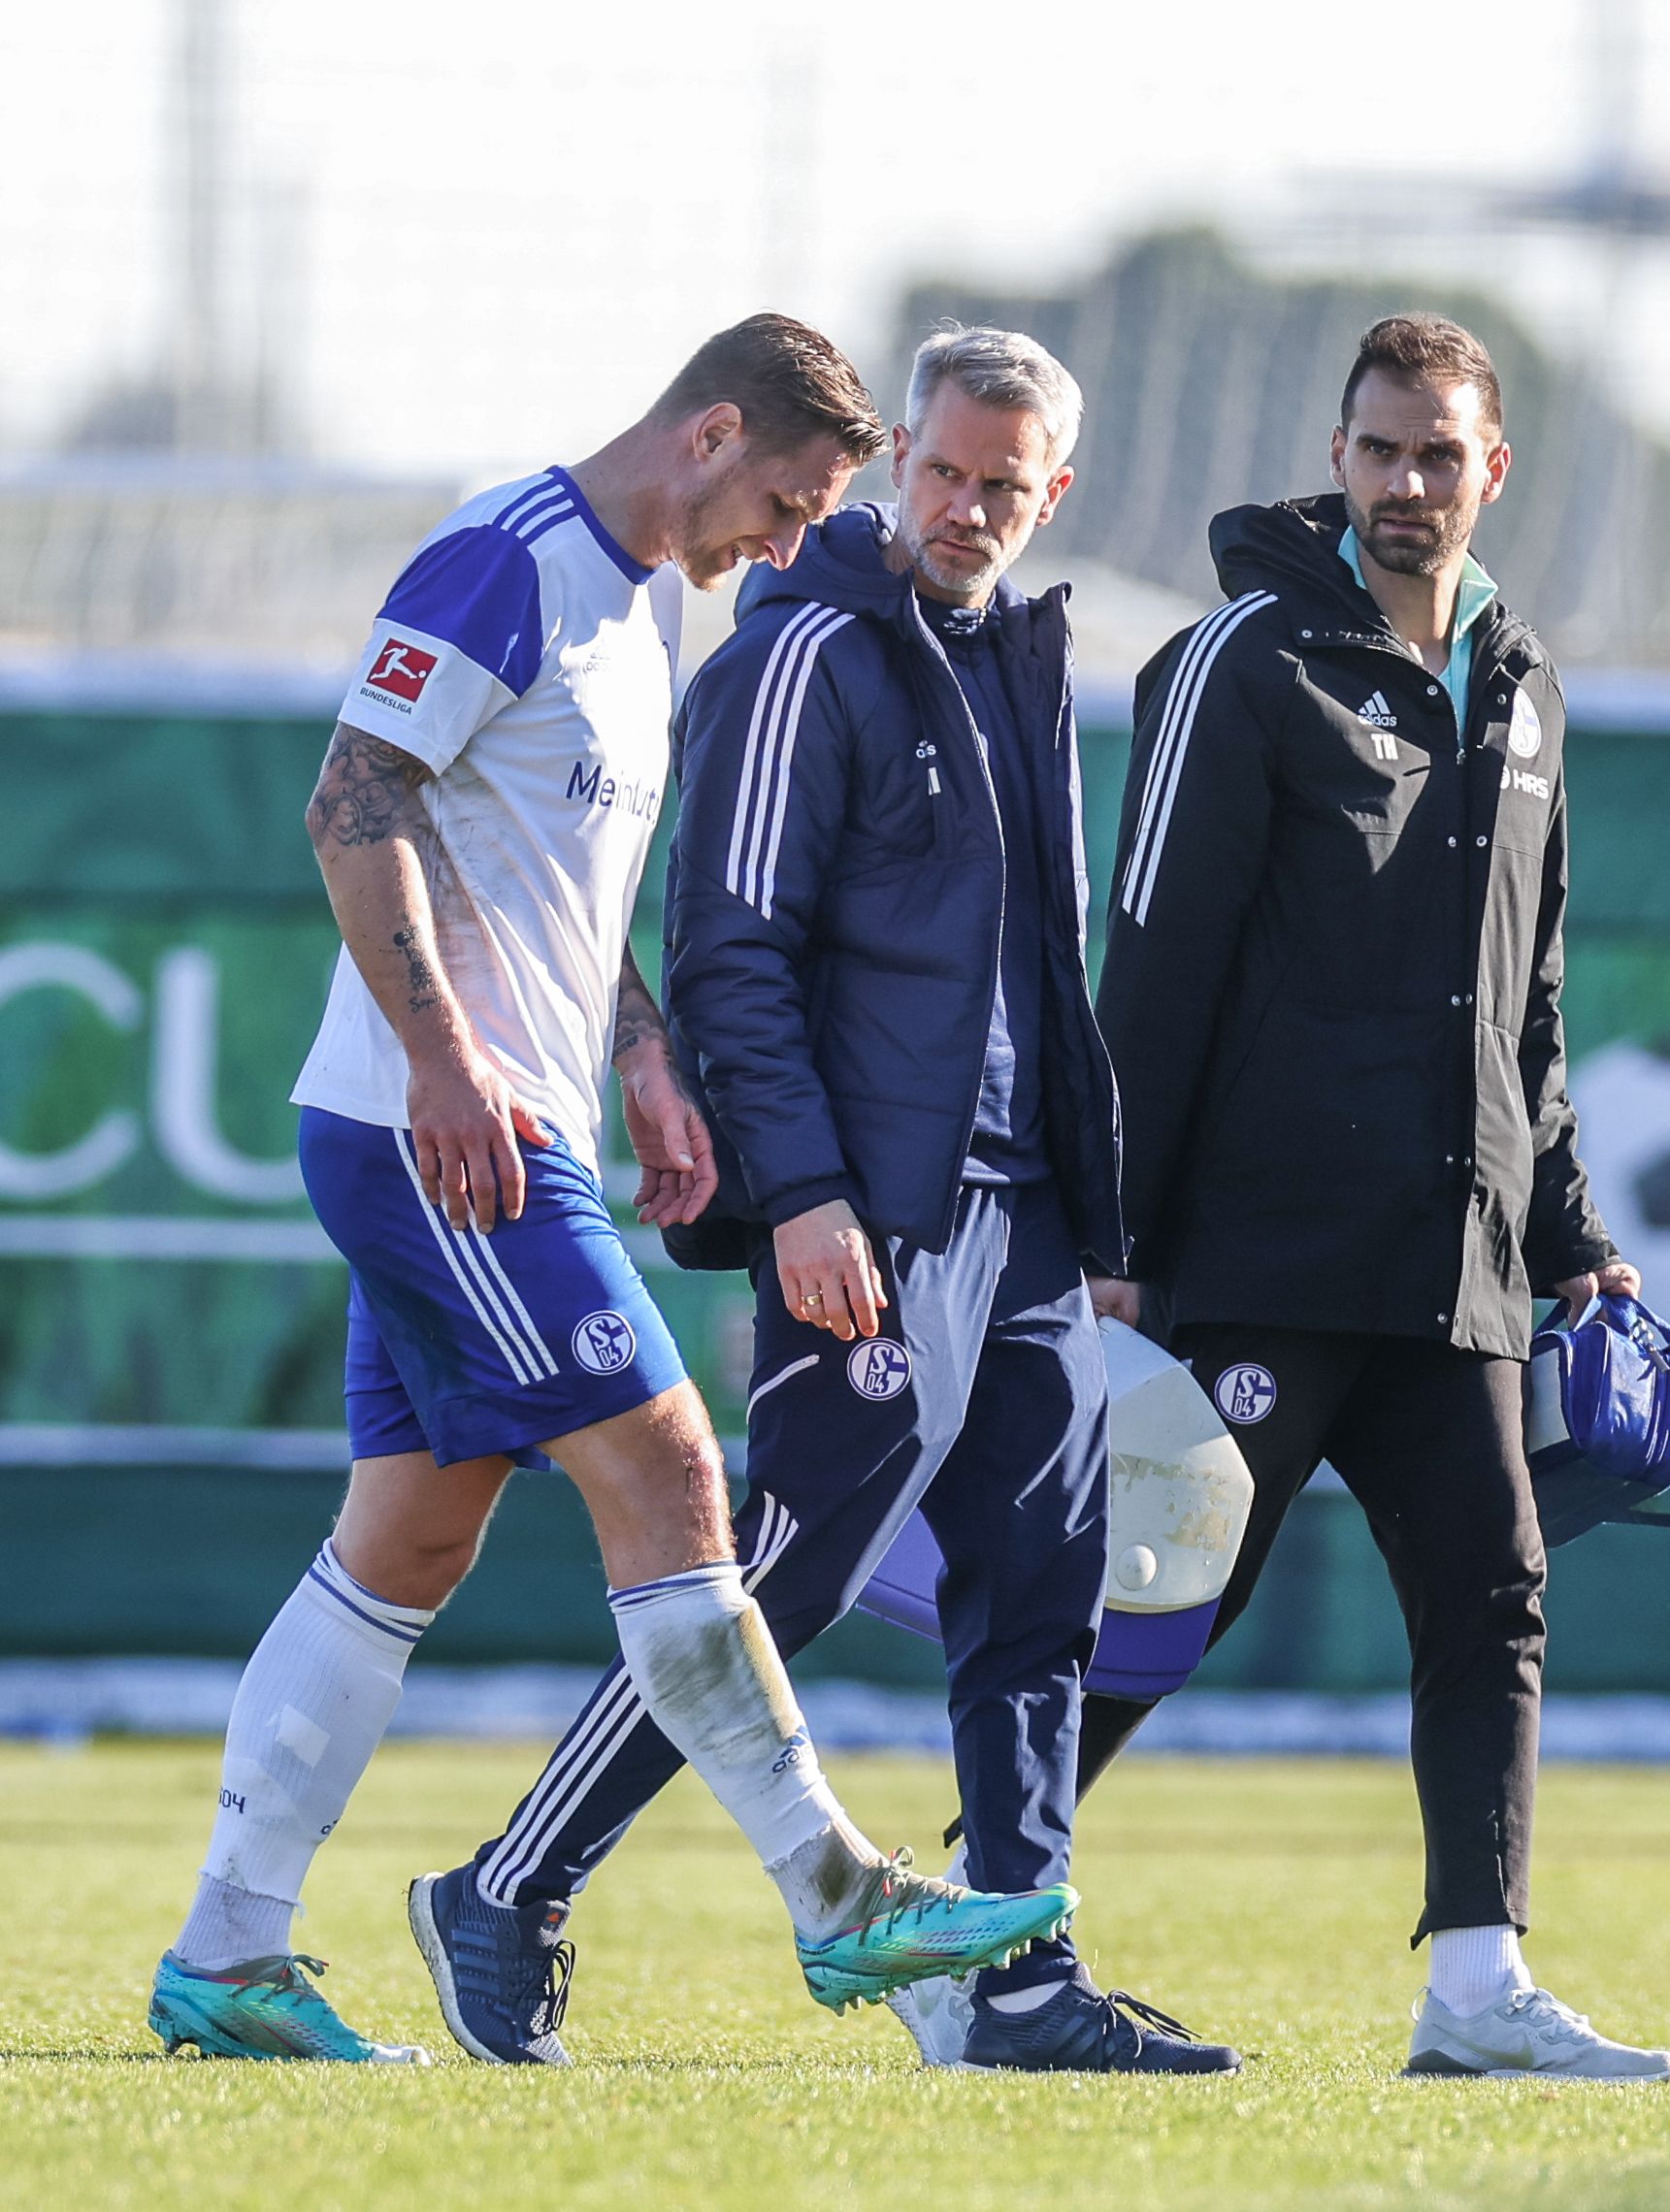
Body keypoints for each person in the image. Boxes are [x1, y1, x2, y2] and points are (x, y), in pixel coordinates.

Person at [146, 315, 1076, 2065]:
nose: (795, 547)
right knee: (668, 1464)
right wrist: (438, 1062)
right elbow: (357, 802)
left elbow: (547, 885)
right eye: (791, 502)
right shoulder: (505, 559)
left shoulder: (646, 602)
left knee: (410, 1535)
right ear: (713, 431)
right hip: (441, 1134)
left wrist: (638, 1051)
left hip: (515, 1121)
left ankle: (227, 1950)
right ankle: (838, 1894)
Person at [404, 327, 1238, 2075]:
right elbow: (731, 954)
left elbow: (1032, 973)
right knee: (785, 1569)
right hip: (872, 1212)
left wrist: (1095, 1231)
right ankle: (512, 1884)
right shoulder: (803, 654)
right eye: (941, 471)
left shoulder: (1021, 653)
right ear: (898, 462)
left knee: (1044, 1595)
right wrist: (803, 1195)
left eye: (1005, 485)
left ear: (1051, 492)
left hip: (1024, 1223)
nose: (967, 508)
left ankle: (1016, 1981)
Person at [1084, 314, 1670, 2082]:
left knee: (1492, 1594)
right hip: (1260, 1253)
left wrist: (1567, 1232)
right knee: (1155, 1606)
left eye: (1440, 454)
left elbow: (1533, 996)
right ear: (1336, 459)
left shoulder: (1527, 680)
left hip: (1459, 1260)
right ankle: (985, 1933)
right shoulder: (1241, 659)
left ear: (1496, 468)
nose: (1407, 484)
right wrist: (1114, 1245)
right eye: (1378, 450)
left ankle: (1478, 1988)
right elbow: (1155, 968)